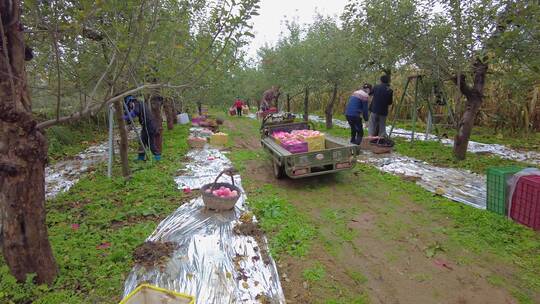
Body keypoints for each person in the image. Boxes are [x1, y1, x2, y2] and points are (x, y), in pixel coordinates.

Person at [123, 95, 161, 161]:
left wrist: (123, 117)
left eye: (129, 104)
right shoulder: (139, 103)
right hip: (146, 126)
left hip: (149, 126)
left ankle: (158, 157)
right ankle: (141, 157)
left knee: (150, 143)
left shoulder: (136, 103)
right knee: (142, 141)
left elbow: (134, 113)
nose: (130, 106)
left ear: (130, 101)